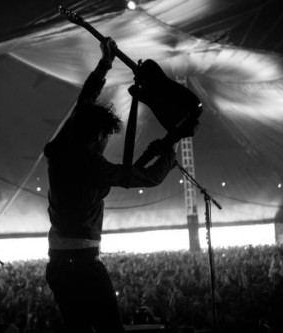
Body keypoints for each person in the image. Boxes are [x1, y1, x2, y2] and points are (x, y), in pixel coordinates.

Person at [44, 37, 177, 333]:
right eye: (105, 137)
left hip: (57, 266)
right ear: (96, 136)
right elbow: (149, 178)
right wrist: (170, 151)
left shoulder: (60, 148)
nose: (106, 142)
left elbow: (84, 103)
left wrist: (105, 63)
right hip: (84, 266)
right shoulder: (92, 165)